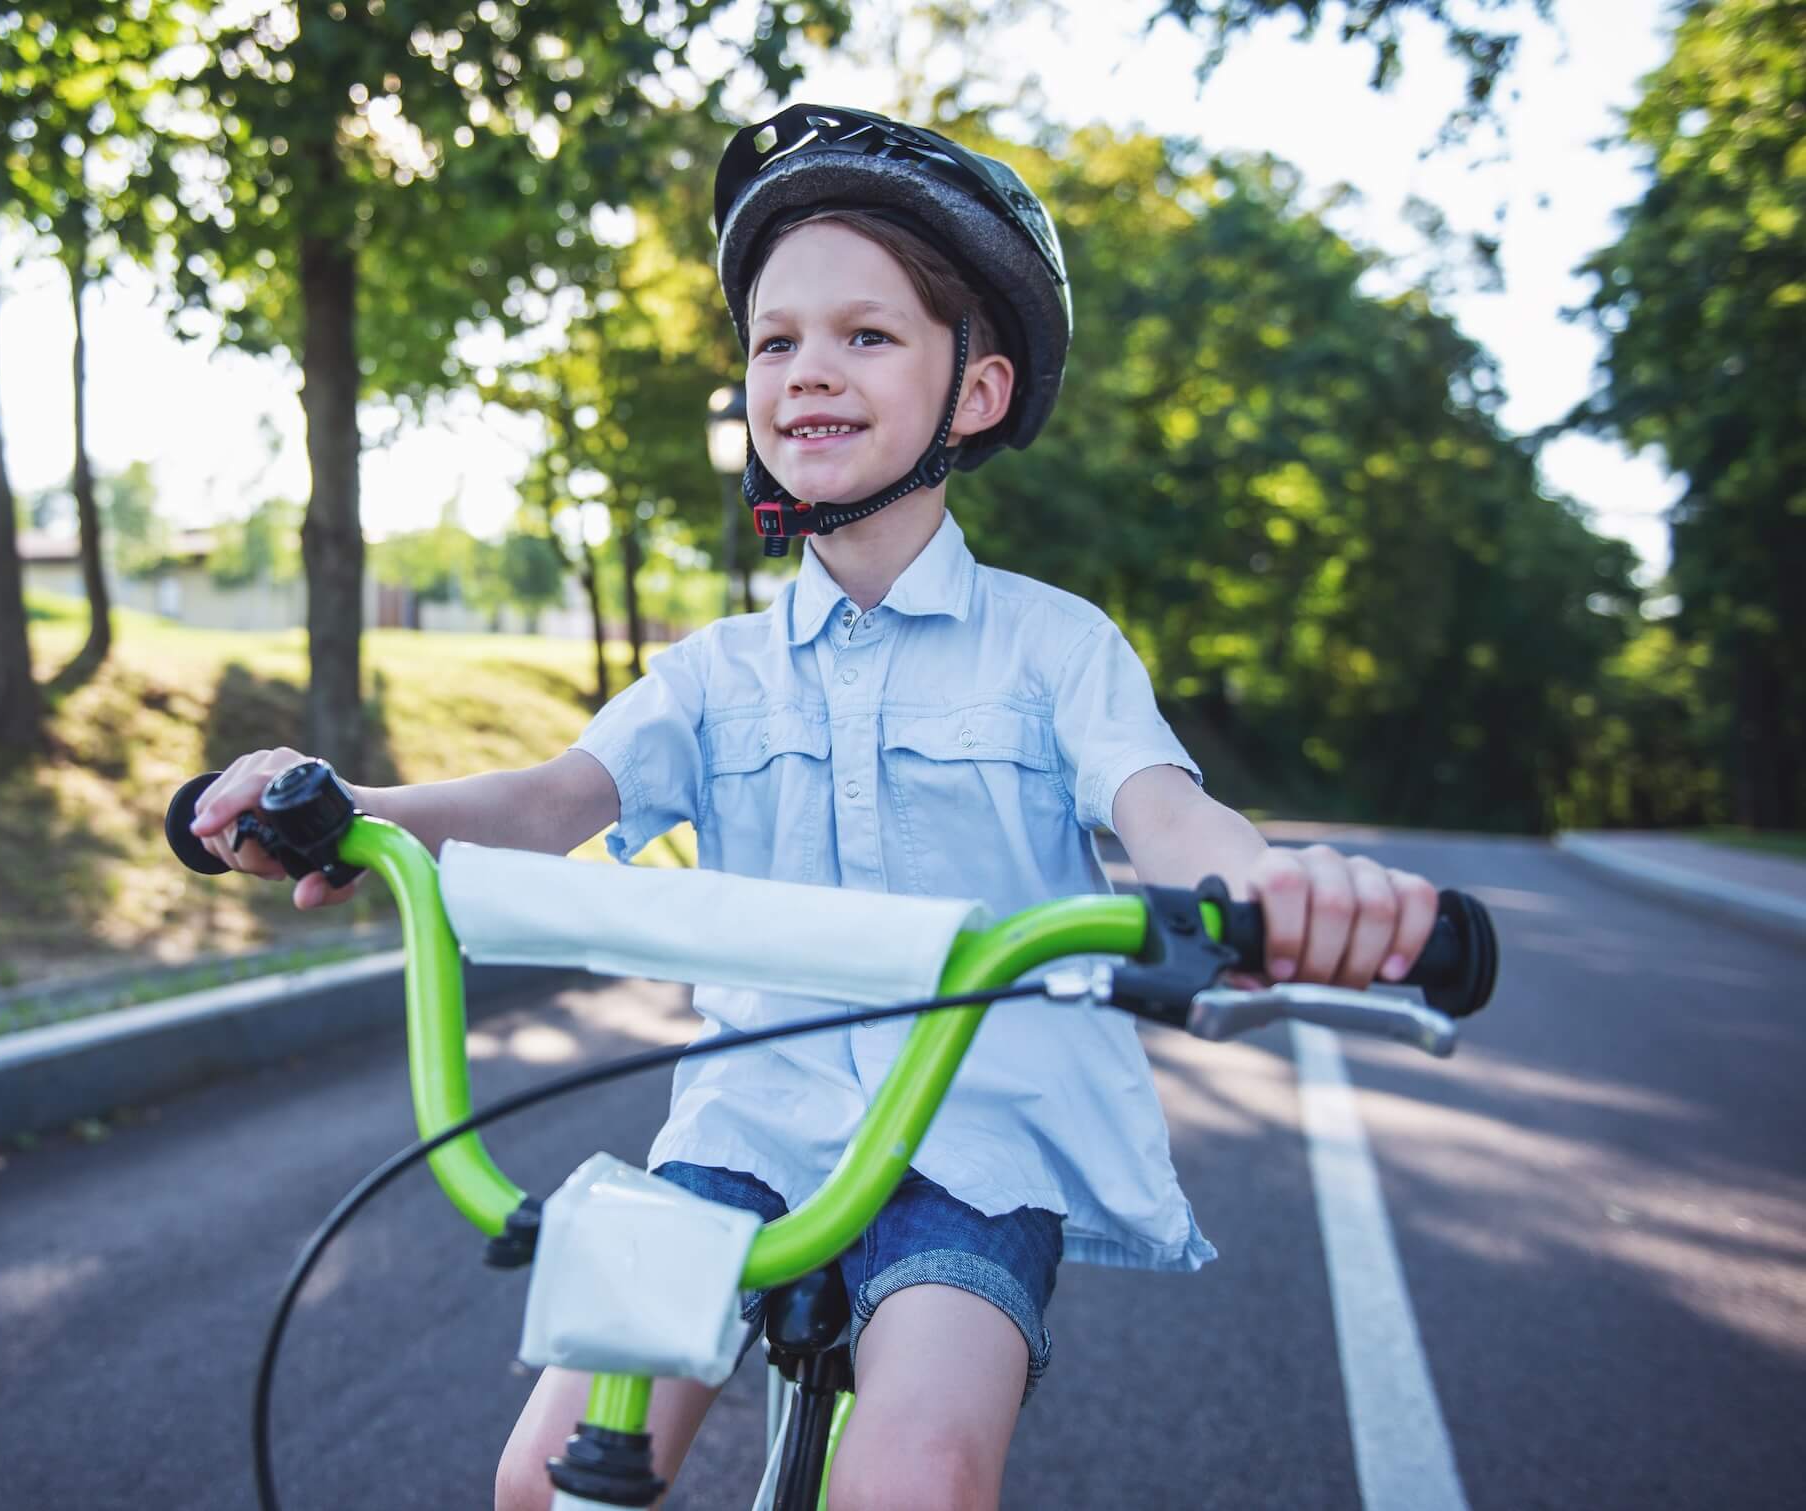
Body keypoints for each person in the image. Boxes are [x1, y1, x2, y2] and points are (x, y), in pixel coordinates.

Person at [190, 103, 1446, 1511]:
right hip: (745, 1127)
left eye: (867, 336)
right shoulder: (715, 674)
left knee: (909, 1483)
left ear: (973, 394)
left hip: (976, 1138)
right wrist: (346, 806)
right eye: (775, 340)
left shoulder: (1053, 646)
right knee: (545, 1482)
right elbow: (550, 802)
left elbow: (1166, 818)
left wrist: (1282, 892)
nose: (807, 372)